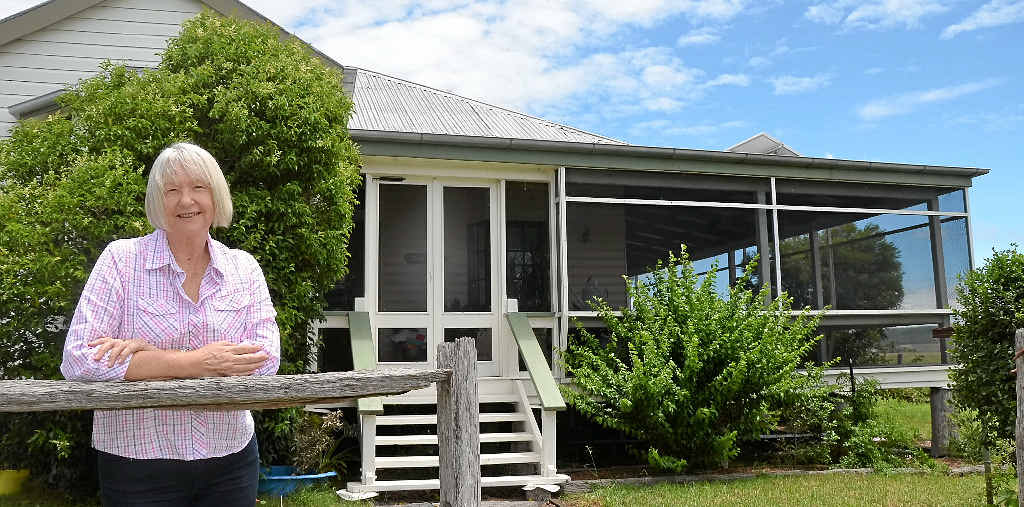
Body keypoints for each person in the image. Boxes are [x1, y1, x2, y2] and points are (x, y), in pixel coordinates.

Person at [60, 142, 281, 506]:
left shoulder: (244, 268)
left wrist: (149, 356)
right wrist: (195, 362)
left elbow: (265, 361)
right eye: (172, 190)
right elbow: (79, 359)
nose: (186, 200)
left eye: (198, 187)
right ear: (156, 201)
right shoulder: (121, 260)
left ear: (215, 195)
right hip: (137, 463)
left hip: (230, 458)